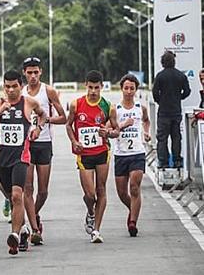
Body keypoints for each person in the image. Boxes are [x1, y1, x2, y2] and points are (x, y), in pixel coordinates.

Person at [0, 70, 47, 255]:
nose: (11, 90)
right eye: (7, 87)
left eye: (14, 86)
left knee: (18, 195)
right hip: (2, 157)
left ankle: (15, 234)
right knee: (10, 195)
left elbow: (42, 115)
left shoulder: (29, 102)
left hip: (21, 157)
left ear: (21, 85)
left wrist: (37, 128)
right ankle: (24, 228)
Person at [66, 70, 120, 243]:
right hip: (84, 155)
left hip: (102, 152)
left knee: (101, 189)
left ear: (102, 87)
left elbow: (117, 130)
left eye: (96, 88)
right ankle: (90, 211)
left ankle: (96, 229)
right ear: (85, 85)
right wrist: (74, 141)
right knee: (90, 195)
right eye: (90, 87)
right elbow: (68, 125)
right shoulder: (76, 104)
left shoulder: (108, 107)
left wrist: (108, 132)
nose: (93, 91)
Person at [21, 57, 66, 245]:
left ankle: (34, 213)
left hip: (44, 142)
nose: (32, 76)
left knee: (43, 191)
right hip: (27, 144)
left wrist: (45, 121)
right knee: (28, 188)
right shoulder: (20, 92)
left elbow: (63, 118)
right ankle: (34, 228)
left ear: (41, 72)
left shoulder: (48, 91)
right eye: (29, 72)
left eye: (35, 72)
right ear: (24, 73)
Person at [113, 74, 151, 237]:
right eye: (126, 88)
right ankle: (133, 209)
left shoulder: (140, 108)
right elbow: (110, 130)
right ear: (121, 89)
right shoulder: (115, 109)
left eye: (132, 88)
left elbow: (147, 121)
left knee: (134, 187)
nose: (129, 91)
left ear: (136, 89)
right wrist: (122, 125)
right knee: (122, 193)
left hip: (137, 152)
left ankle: (133, 222)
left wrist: (146, 132)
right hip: (121, 154)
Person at [152, 51, 191, 168]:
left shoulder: (160, 76)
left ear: (163, 62)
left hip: (163, 112)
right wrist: (179, 97)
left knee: (162, 138)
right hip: (176, 111)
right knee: (176, 137)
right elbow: (187, 91)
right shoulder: (181, 76)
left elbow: (155, 93)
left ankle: (163, 162)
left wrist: (160, 101)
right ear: (174, 62)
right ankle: (177, 160)